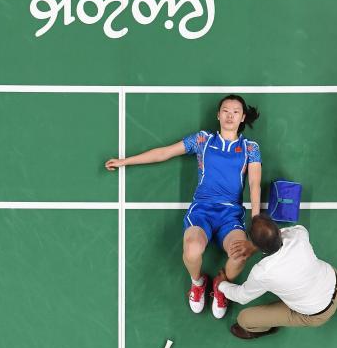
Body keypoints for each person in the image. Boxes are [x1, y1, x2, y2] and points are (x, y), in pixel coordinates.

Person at [105, 95, 262, 319]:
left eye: (236, 112)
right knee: (192, 249)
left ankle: (221, 285)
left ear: (243, 117)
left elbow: (255, 184)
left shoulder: (250, 148)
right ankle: (198, 283)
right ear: (218, 115)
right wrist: (125, 161)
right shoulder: (202, 140)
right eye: (226, 111)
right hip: (202, 211)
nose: (230, 115)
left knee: (240, 255)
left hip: (230, 216)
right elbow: (165, 152)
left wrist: (256, 220)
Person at [213, 215, 337, 340]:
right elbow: (284, 234)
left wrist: (222, 285)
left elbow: (242, 297)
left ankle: (265, 328)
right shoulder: (299, 235)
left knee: (244, 319)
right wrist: (257, 244)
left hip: (317, 314)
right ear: (277, 230)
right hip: (334, 279)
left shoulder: (262, 272)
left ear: (255, 245)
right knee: (312, 279)